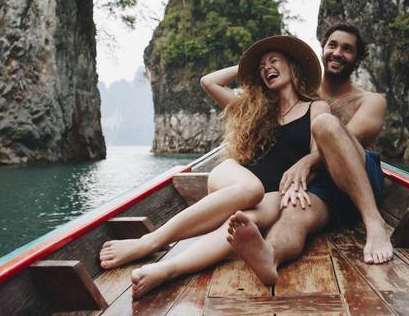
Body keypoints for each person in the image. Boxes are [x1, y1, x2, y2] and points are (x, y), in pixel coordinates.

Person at [97, 35, 330, 297]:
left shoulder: (316, 107)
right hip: (234, 179)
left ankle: (168, 269)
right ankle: (147, 243)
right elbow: (209, 81)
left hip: (275, 192)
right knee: (251, 189)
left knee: (243, 223)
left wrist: (302, 168)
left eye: (274, 61)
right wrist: (247, 69)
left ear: (293, 66)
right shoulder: (255, 109)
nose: (267, 68)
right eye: (262, 66)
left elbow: (319, 153)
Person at [225, 23, 393, 286]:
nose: (338, 53)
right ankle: (270, 255)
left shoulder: (371, 101)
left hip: (358, 176)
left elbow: (341, 140)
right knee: (293, 209)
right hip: (322, 185)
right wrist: (254, 69)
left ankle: (374, 223)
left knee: (325, 124)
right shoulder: (302, 95)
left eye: (347, 49)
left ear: (358, 60)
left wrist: (305, 162)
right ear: (322, 50)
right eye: (332, 45)